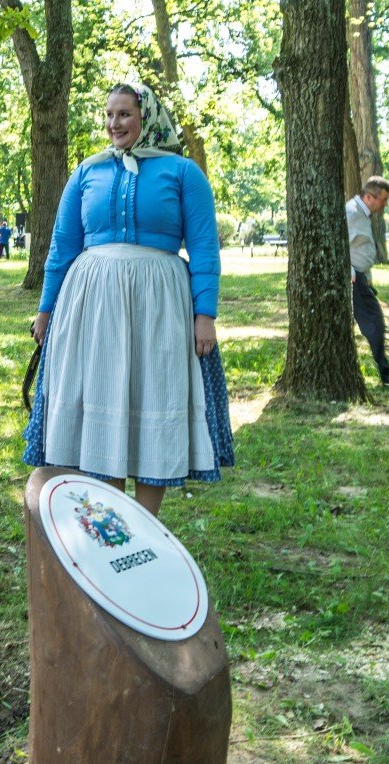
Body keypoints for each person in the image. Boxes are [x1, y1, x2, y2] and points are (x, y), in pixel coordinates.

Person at [24, 83, 233, 517]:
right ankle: (113, 515)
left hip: (160, 303)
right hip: (92, 306)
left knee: (153, 394)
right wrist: (46, 310)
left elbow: (204, 248)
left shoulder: (182, 172)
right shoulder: (87, 172)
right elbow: (62, 246)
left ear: (147, 117)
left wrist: (205, 314)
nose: (113, 123)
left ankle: (145, 523)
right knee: (103, 396)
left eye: (123, 114)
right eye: (108, 114)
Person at [347, 176, 389, 385]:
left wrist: (367, 276)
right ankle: (386, 372)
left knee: (373, 323)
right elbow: (337, 242)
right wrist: (349, 271)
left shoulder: (363, 213)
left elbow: (360, 246)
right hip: (353, 280)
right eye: (383, 199)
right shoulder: (352, 213)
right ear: (369, 197)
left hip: (362, 278)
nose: (385, 204)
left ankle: (385, 371)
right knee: (375, 323)